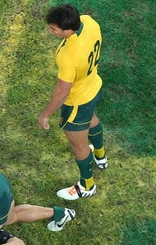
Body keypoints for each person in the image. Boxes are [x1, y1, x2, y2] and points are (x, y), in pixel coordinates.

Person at [38, 4, 107, 200]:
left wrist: (45, 115)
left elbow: (62, 92)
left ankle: (87, 185)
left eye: (54, 29)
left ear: (68, 30)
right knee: (92, 119)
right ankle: (101, 157)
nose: (50, 31)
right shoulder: (89, 22)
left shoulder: (69, 56)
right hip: (94, 86)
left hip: (77, 102)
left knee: (79, 145)